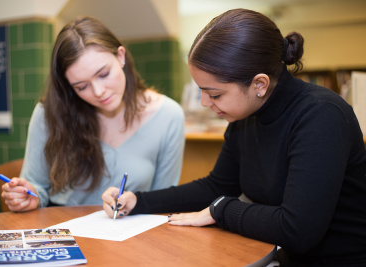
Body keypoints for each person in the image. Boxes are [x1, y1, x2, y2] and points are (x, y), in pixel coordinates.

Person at [102, 8, 366, 267]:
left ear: (259, 85)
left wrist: (222, 210)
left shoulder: (321, 115)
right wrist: (139, 201)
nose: (205, 102)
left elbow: (298, 229)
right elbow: (216, 186)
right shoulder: (246, 117)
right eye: (202, 92)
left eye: (215, 94)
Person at [1, 16, 185, 212]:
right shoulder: (50, 112)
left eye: (104, 74)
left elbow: (163, 202)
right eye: (81, 86)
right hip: (64, 228)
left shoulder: (168, 116)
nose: (98, 92)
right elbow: (36, 186)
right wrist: (30, 197)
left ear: (121, 56)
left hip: (130, 232)